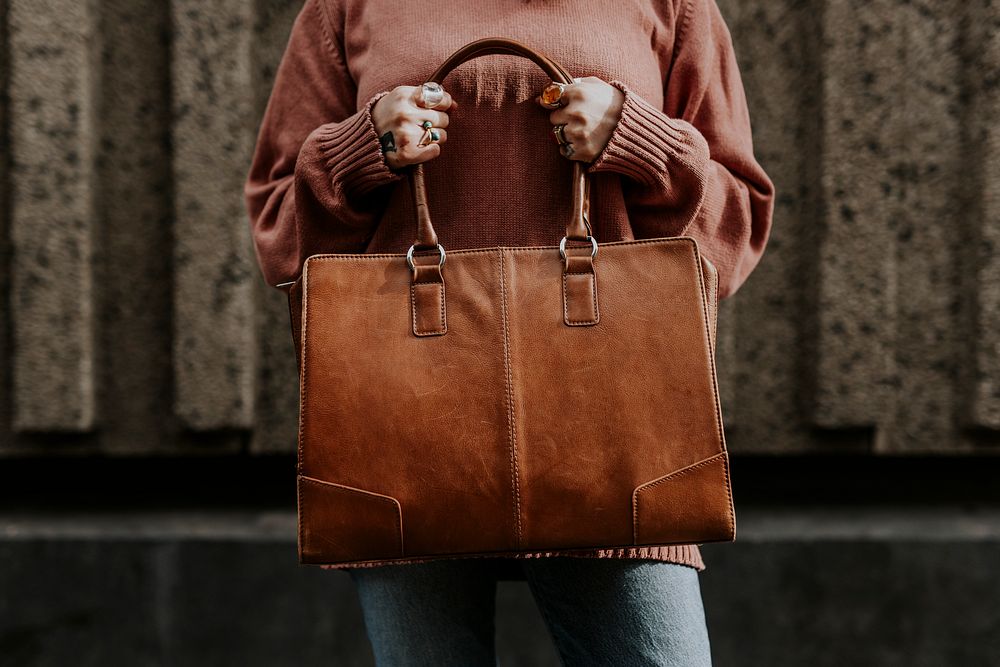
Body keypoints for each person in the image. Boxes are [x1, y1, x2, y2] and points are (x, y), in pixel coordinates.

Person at [245, 0, 774, 664]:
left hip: (608, 418)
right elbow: (277, 226)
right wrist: (361, 150)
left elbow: (737, 223)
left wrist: (639, 140)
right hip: (407, 420)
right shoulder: (345, 7)